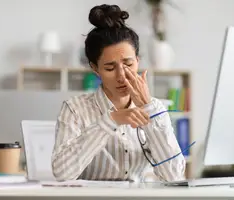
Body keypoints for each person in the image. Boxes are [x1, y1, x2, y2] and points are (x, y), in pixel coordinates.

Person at [51, 4, 186, 182]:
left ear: (138, 61)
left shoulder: (155, 108)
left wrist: (150, 110)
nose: (122, 76)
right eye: (109, 67)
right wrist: (111, 120)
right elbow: (61, 173)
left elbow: (174, 176)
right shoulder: (75, 109)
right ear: (95, 69)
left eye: (129, 64)